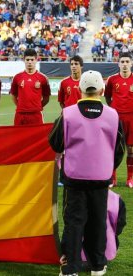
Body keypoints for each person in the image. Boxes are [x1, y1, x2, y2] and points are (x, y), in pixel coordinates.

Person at [49, 70, 125, 276]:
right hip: (101, 178)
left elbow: (55, 143)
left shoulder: (68, 113)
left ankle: (70, 267)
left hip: (74, 178)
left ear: (80, 89)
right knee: (98, 222)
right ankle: (98, 266)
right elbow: (119, 150)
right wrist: (107, 167)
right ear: (101, 89)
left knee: (74, 221)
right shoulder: (113, 115)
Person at [105, 52, 133, 188]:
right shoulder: (112, 80)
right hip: (116, 118)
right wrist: (114, 110)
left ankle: (130, 179)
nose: (125, 64)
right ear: (118, 63)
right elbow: (107, 97)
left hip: (132, 118)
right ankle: (113, 178)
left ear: (131, 63)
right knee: (113, 148)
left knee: (131, 149)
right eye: (122, 62)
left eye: (127, 61)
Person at [10, 48, 51, 125]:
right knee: (19, 136)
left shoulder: (43, 78)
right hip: (20, 114)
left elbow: (46, 98)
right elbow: (13, 95)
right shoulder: (17, 77)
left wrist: (37, 107)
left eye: (32, 60)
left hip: (36, 114)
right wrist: (21, 106)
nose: (30, 62)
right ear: (24, 60)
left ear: (36, 60)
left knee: (38, 136)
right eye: (27, 59)